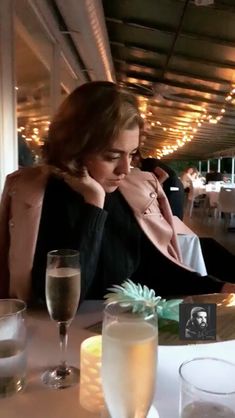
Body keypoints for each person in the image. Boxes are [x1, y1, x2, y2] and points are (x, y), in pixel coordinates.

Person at [0, 81, 235, 305]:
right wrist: (94, 203)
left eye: (131, 154)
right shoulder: (39, 201)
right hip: (52, 340)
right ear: (73, 149)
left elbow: (157, 272)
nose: (125, 169)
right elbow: (63, 302)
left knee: (209, 333)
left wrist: (222, 288)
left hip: (122, 331)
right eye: (112, 156)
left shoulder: (132, 193)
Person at [132, 154, 185, 220]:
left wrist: (153, 188)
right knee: (168, 207)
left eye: (131, 159)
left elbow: (164, 175)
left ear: (137, 157)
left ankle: (175, 227)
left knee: (172, 207)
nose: (131, 163)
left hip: (174, 186)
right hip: (172, 184)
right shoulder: (143, 166)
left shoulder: (148, 162)